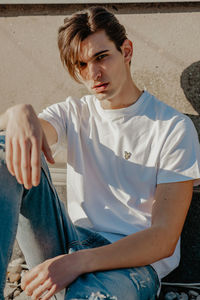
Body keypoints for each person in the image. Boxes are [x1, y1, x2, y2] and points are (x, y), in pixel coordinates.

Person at [0, 6, 200, 300]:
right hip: (70, 240)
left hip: (132, 265)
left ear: (127, 51)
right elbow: (26, 136)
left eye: (101, 57)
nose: (93, 73)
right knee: (5, 151)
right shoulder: (73, 112)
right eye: (80, 65)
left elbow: (163, 240)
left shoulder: (173, 128)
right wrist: (17, 113)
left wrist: (75, 263)